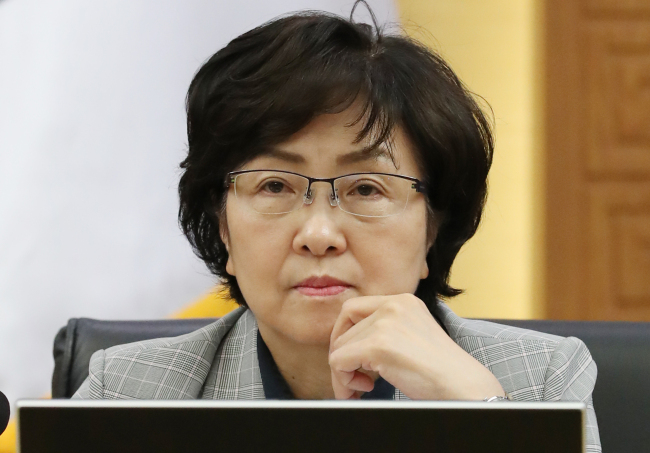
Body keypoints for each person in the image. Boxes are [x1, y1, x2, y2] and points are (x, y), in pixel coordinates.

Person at [73, 3, 601, 451]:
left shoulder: (539, 381)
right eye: (275, 186)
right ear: (224, 229)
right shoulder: (129, 391)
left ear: (432, 229)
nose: (319, 233)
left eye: (366, 189)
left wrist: (483, 415)